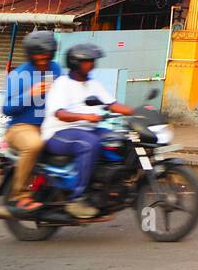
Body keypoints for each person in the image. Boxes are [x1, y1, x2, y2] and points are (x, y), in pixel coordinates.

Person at [41, 43, 133, 218]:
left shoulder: (94, 84)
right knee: (89, 144)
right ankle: (78, 197)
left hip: (89, 129)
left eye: (92, 61)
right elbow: (60, 114)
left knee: (119, 140)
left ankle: (106, 186)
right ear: (76, 63)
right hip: (58, 133)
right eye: (87, 61)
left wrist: (139, 112)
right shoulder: (62, 84)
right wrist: (86, 117)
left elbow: (112, 105)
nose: (91, 64)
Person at [0, 30, 58, 217]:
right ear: (30, 54)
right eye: (38, 54)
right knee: (33, 145)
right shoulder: (19, 74)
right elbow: (7, 109)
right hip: (22, 127)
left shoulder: (55, 69)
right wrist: (31, 93)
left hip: (50, 125)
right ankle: (20, 195)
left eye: (46, 53)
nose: (43, 57)